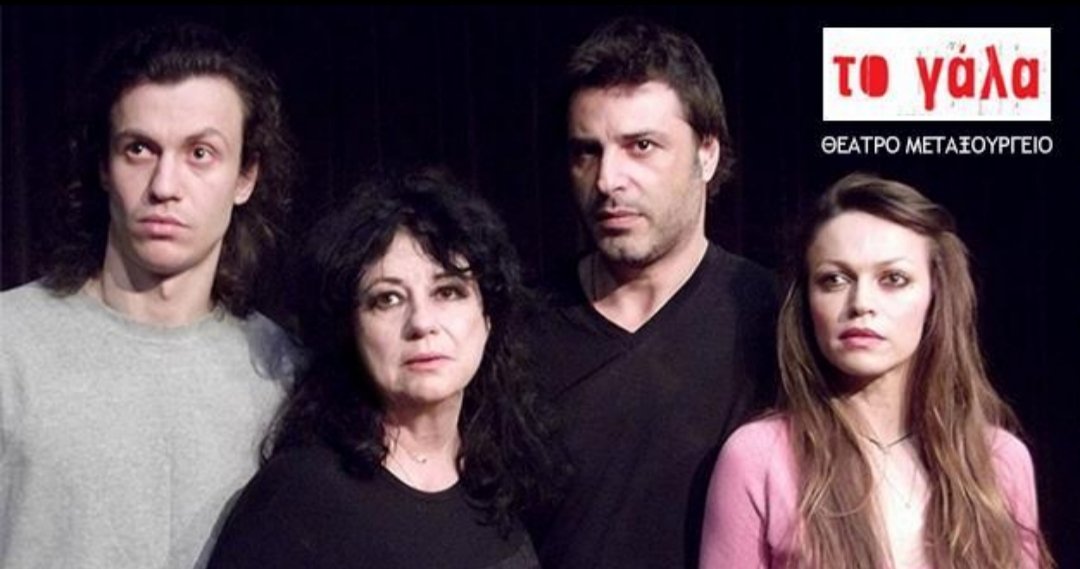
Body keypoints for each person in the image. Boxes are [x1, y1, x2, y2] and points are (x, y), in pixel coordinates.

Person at [0, 23, 297, 569]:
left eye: (200, 153)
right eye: (139, 149)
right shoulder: (8, 346)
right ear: (103, 167)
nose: (164, 186)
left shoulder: (284, 375)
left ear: (245, 176)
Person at [205, 171, 566, 569]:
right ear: (351, 328)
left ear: (488, 318)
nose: (422, 323)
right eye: (388, 299)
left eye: (448, 291)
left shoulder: (501, 482)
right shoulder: (303, 495)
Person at [699, 172, 1055, 568]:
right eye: (834, 280)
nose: (861, 303)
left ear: (935, 297)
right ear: (806, 301)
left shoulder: (999, 460)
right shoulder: (759, 458)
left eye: (893, 279)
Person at [524, 17, 779, 569]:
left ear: (706, 154)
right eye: (586, 152)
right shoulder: (519, 326)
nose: (607, 179)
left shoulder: (772, 320)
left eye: (641, 146)